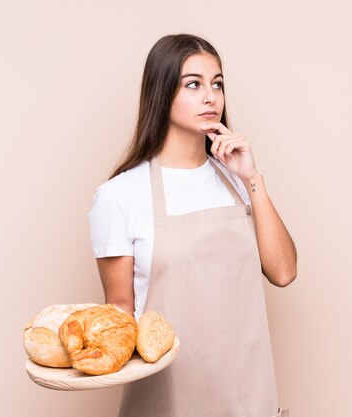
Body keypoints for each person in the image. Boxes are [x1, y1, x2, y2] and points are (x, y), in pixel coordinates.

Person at [88, 33, 296, 417]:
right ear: (162, 92)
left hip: (249, 397)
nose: (210, 97)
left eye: (217, 83)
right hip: (170, 403)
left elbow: (283, 272)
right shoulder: (119, 197)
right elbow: (119, 315)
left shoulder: (237, 179)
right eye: (193, 84)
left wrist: (254, 180)